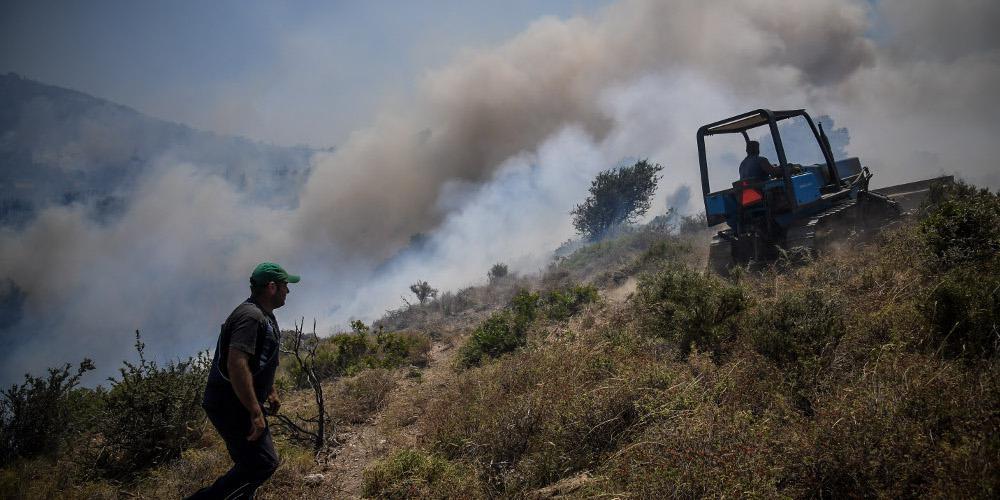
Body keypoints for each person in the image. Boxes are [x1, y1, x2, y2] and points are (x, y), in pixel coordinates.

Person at [187, 262, 300, 499]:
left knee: (252, 462)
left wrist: (270, 391)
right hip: (231, 405)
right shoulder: (250, 317)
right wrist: (255, 411)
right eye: (285, 286)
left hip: (239, 403)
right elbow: (237, 365)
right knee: (261, 463)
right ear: (271, 287)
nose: (287, 291)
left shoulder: (264, 315)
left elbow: (257, 361)